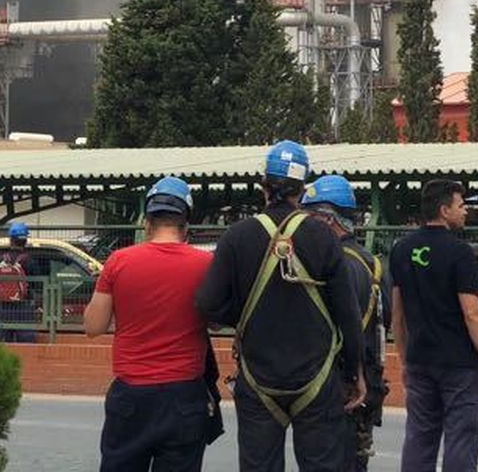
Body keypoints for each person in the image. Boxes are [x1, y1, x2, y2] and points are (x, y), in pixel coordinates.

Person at [196, 140, 364, 472]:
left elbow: (208, 304)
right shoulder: (323, 237)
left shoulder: (237, 237)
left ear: (264, 186)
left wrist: (244, 315)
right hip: (316, 379)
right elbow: (348, 313)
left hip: (259, 380)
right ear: (302, 190)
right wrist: (355, 371)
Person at [86, 177, 221, 472]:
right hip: (185, 397)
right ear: (186, 222)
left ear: (147, 221)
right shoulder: (205, 264)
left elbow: (93, 325)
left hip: (131, 397)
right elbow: (216, 322)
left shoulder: (118, 262)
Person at [390, 179, 478, 472]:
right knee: (460, 439)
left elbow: (397, 314)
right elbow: (471, 313)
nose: (465, 212)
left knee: (419, 438)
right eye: (461, 205)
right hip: (459, 365)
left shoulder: (401, 249)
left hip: (420, 361)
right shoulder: (459, 252)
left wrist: (403, 359)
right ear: (444, 210)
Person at [302, 175, 387, 471]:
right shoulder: (372, 263)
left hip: (340, 380)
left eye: (308, 217)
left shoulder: (333, 266)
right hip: (370, 377)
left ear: (327, 220)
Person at [0, 220, 44, 343]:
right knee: (26, 344)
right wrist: (38, 304)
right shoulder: (29, 261)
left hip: (3, 307)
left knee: (3, 344)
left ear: (11, 240)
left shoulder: (0, 260)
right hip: (24, 307)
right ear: (25, 241)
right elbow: (38, 285)